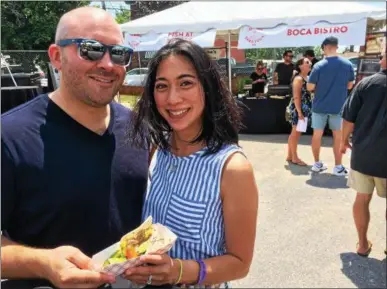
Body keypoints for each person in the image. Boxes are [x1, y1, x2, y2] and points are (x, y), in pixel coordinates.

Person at [1, 7, 148, 289]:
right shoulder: (10, 136)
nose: (107, 64)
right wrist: (43, 263)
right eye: (90, 50)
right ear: (56, 56)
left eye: (118, 53)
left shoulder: (138, 127)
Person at [125, 39, 259, 288]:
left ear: (207, 88)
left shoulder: (231, 168)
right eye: (162, 86)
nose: (172, 98)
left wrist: (178, 270)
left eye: (186, 83)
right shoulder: (158, 148)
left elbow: (240, 263)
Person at [340, 47, 387, 257]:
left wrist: (343, 141)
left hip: (364, 153)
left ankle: (361, 244)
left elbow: (348, 118)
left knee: (362, 197)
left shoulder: (366, 84)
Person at [307, 36, 355, 176]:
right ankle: (338, 167)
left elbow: (310, 87)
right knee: (338, 137)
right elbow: (350, 85)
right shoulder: (347, 64)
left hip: (319, 106)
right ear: (336, 47)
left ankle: (317, 164)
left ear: (325, 47)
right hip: (339, 106)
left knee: (317, 135)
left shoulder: (318, 66)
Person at [286, 58, 312, 166]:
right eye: (307, 62)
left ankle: (289, 155)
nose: (310, 63)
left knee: (296, 132)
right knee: (295, 133)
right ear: (300, 66)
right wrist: (300, 113)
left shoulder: (307, 78)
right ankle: (294, 157)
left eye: (310, 62)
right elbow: (296, 97)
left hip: (303, 110)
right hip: (298, 109)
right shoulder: (298, 79)